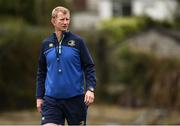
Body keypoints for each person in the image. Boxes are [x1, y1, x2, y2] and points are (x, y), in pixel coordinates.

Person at [36, 6, 96, 125]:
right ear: (53, 21)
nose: (65, 22)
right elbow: (41, 72)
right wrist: (39, 96)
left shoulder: (78, 42)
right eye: (62, 19)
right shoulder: (46, 44)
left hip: (76, 100)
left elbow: (89, 67)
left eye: (67, 19)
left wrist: (90, 89)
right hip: (51, 100)